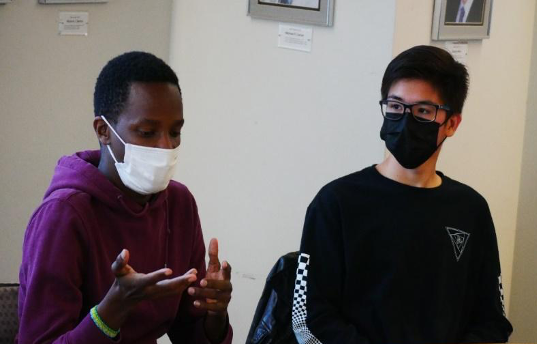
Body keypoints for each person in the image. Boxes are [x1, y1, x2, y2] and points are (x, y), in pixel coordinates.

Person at [292, 45, 513, 344]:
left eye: (423, 111)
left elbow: (491, 321)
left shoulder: (470, 209)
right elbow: (307, 318)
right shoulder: (336, 203)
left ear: (451, 123)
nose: (406, 120)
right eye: (396, 106)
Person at [17, 52, 233, 344]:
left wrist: (215, 314)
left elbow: (189, 333)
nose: (165, 146)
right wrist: (112, 310)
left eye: (175, 132)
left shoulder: (179, 204)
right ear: (103, 131)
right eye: (147, 132)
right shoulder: (64, 214)